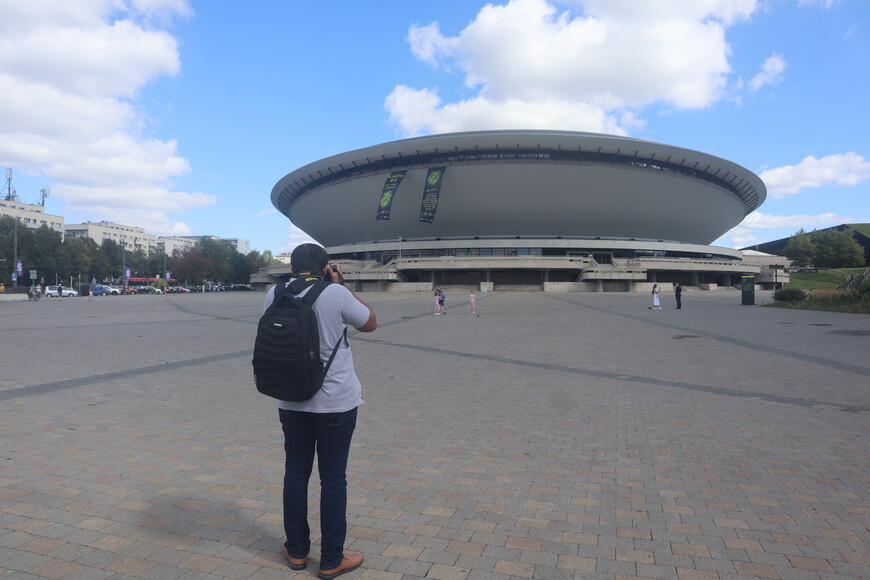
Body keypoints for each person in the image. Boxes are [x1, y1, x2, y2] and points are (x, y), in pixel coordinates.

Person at [262, 243, 377, 579]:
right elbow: (369, 323)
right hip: (335, 403)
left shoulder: (273, 293)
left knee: (295, 473)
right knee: (332, 479)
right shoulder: (335, 294)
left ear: (293, 267)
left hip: (290, 400)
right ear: (326, 267)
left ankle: (296, 552)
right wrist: (340, 285)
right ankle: (331, 559)